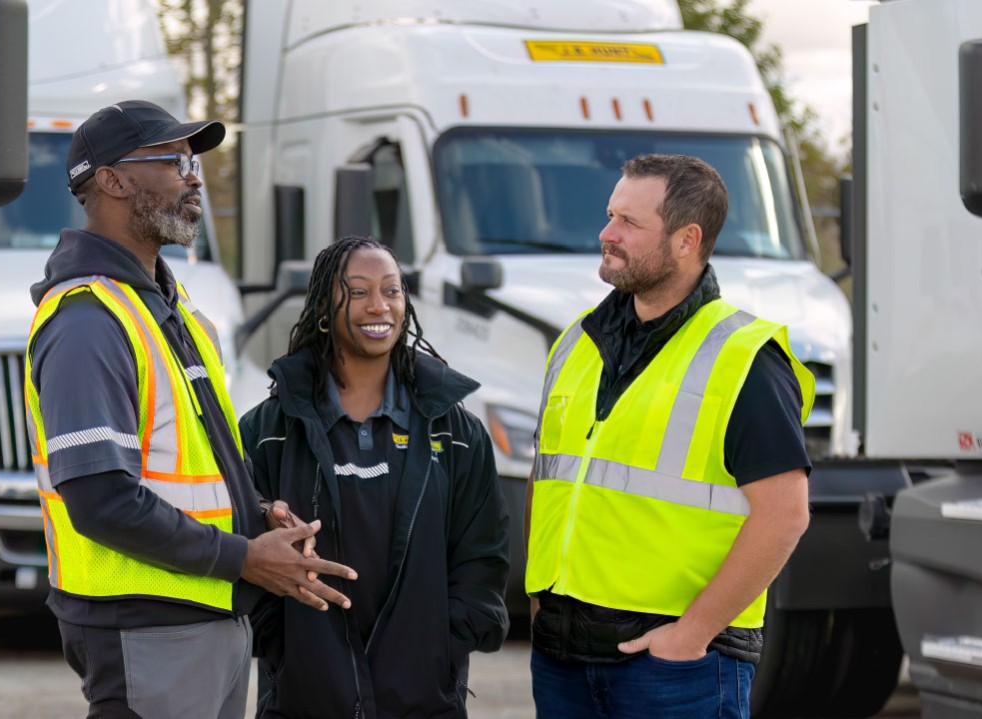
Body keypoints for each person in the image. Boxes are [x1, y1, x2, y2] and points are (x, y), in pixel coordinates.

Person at [24, 99, 357, 719]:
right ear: (113, 181)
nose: (194, 175)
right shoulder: (89, 323)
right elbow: (101, 502)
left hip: (203, 615)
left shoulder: (168, 309)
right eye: (174, 160)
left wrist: (255, 514)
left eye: (195, 160)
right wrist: (247, 557)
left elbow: (185, 466)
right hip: (146, 628)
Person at [525, 154, 816, 718]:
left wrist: (691, 635)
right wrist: (541, 604)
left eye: (630, 223)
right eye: (611, 215)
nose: (607, 234)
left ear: (687, 240)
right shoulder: (574, 342)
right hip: (561, 659)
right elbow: (550, 472)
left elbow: (785, 515)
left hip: (675, 670)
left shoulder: (745, 358)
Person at [239, 235, 511, 718]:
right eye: (358, 291)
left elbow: (482, 554)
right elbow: (242, 546)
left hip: (424, 699)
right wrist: (285, 648)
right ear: (325, 306)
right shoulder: (269, 431)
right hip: (303, 699)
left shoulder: (457, 432)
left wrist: (442, 649)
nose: (378, 305)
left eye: (391, 290)